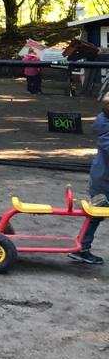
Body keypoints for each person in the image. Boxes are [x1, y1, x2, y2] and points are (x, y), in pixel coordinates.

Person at [70, 94, 109, 264]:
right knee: (96, 215)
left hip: (103, 178)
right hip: (103, 182)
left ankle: (82, 248)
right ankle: (82, 248)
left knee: (96, 216)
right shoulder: (105, 130)